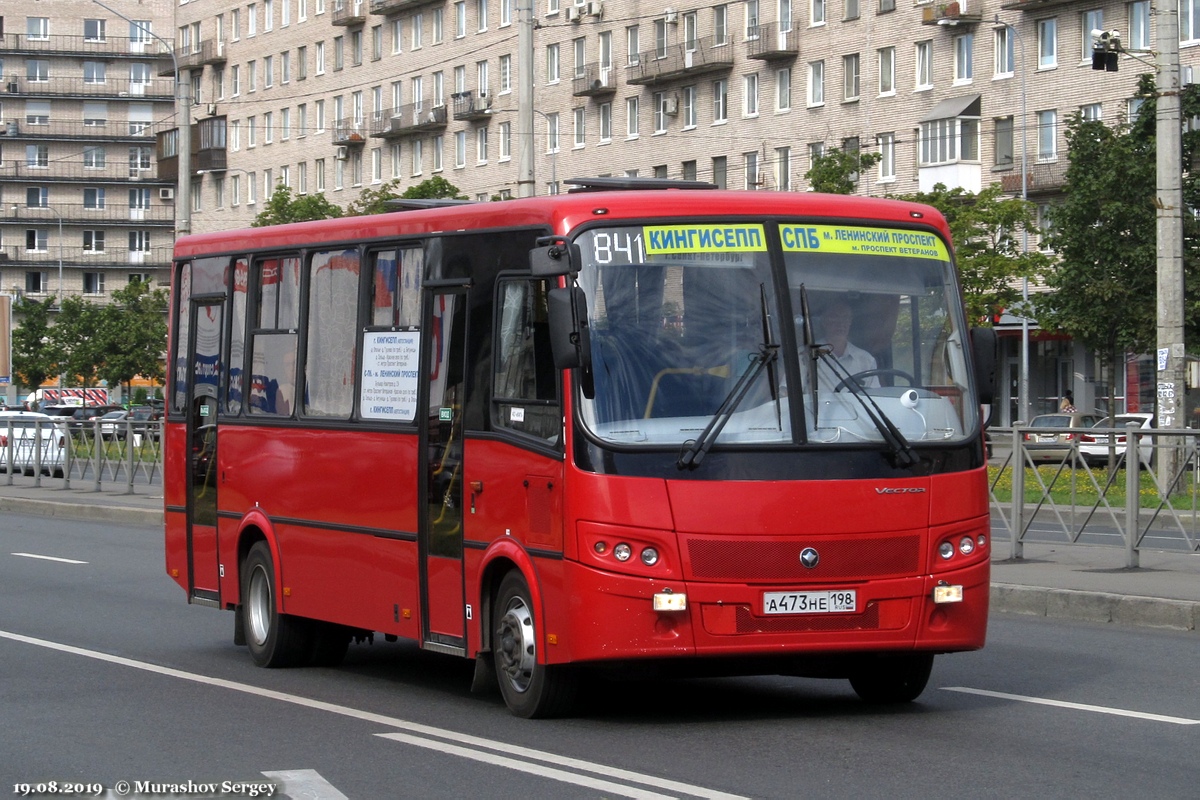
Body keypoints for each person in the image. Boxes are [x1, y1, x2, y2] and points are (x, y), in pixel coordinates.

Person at [814, 300, 879, 390]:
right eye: (834, 317)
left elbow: (874, 396)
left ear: (850, 322)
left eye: (845, 318)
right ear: (823, 320)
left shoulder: (866, 359)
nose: (841, 323)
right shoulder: (805, 356)